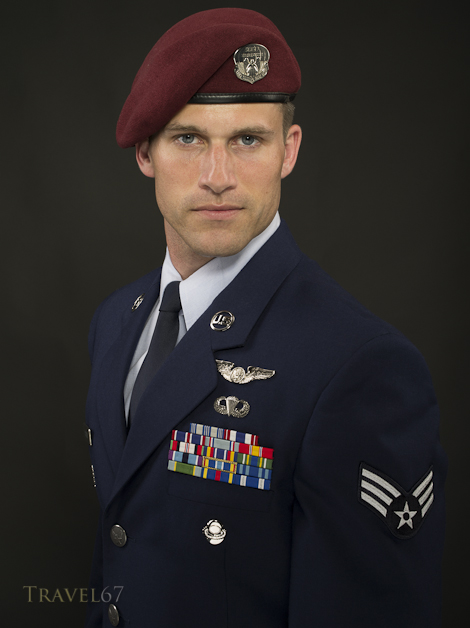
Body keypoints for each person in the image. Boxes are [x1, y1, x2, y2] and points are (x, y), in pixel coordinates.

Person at [85, 8, 446, 628]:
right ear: (145, 152)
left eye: (247, 140)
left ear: (289, 150)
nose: (218, 178)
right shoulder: (116, 321)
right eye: (188, 138)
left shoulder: (359, 367)